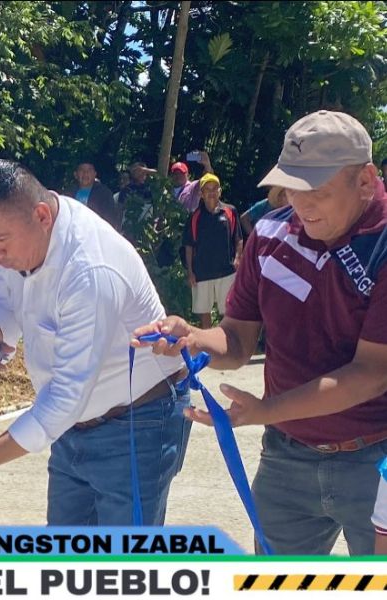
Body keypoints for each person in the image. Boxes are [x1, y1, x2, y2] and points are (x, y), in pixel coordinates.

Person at [133, 110, 387, 555]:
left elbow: (371, 373)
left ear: (365, 180)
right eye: (292, 187)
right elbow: (236, 340)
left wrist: (266, 410)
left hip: (376, 459)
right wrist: (191, 336)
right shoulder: (270, 234)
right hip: (287, 457)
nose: (301, 205)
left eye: (317, 191)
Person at [0, 159, 191, 526]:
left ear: (41, 215)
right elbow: (9, 301)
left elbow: (64, 399)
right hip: (73, 427)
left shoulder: (89, 270)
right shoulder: (24, 235)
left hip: (137, 422)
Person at [182, 173, 243, 329]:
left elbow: (238, 238)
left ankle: (227, 341)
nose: (211, 192)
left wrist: (238, 258)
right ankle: (208, 342)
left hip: (226, 270)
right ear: (201, 194)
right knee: (204, 313)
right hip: (202, 272)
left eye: (214, 188)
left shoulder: (230, 211)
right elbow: (188, 245)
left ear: (220, 191)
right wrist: (190, 271)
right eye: (207, 189)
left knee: (228, 311)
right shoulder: (195, 216)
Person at [73, 162, 119, 229]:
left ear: (95, 174)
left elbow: (110, 218)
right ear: (75, 174)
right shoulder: (68, 193)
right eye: (82, 170)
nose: (85, 173)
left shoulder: (104, 193)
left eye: (89, 170)